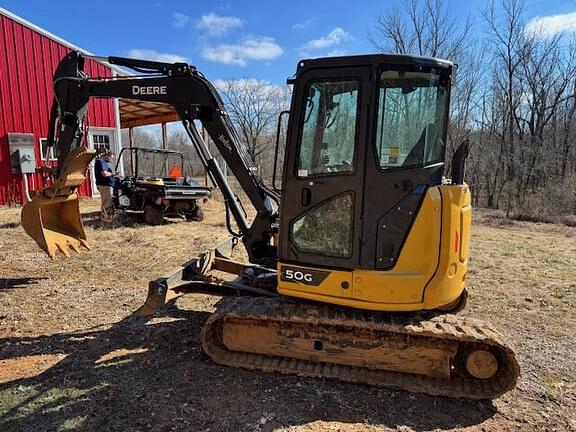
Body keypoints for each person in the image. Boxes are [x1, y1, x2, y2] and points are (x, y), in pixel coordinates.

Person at [94, 151, 116, 221]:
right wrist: (112, 174)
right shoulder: (100, 161)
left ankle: (109, 217)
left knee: (109, 201)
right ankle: (106, 218)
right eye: (110, 158)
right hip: (104, 185)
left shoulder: (105, 163)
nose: (111, 160)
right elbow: (104, 174)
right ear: (107, 155)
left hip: (108, 184)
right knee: (107, 201)